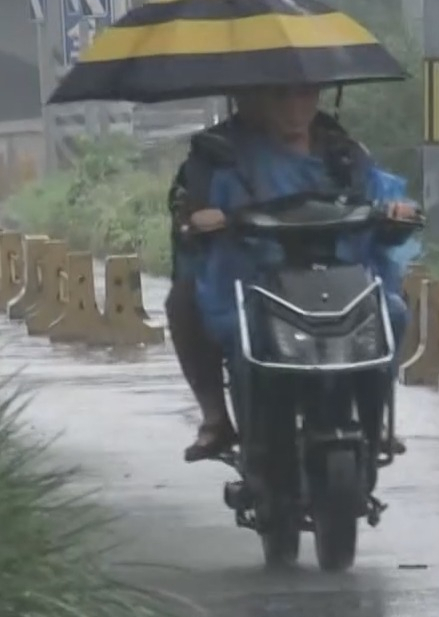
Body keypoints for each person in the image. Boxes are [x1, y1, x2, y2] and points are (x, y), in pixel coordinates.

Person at [166, 84, 419, 462]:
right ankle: (217, 418)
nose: (294, 106)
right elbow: (189, 211)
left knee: (392, 311)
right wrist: (201, 217)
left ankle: (374, 416)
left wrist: (397, 210)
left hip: (336, 274)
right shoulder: (219, 155)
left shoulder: (343, 152)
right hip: (253, 275)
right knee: (190, 303)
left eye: (305, 93)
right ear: (250, 97)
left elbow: (378, 193)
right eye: (280, 94)